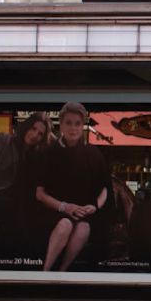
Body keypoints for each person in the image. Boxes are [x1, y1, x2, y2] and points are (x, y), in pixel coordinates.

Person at [35, 102, 111, 272]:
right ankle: (45, 273)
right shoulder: (48, 153)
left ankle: (62, 272)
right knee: (65, 225)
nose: (73, 128)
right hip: (53, 210)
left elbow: (105, 188)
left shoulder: (93, 153)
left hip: (84, 211)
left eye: (77, 123)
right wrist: (64, 207)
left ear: (82, 125)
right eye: (68, 123)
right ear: (60, 124)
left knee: (84, 228)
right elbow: (39, 194)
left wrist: (95, 205)